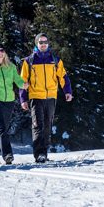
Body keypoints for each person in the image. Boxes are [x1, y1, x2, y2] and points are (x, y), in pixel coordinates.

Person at [19, 33, 73, 163]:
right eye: (40, 42)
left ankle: (44, 152)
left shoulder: (55, 60)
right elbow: (23, 81)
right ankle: (39, 154)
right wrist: (23, 99)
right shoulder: (29, 61)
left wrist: (67, 91)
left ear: (48, 43)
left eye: (45, 42)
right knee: (38, 125)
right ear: (36, 44)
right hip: (35, 96)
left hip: (51, 97)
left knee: (48, 125)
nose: (43, 44)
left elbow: (63, 77)